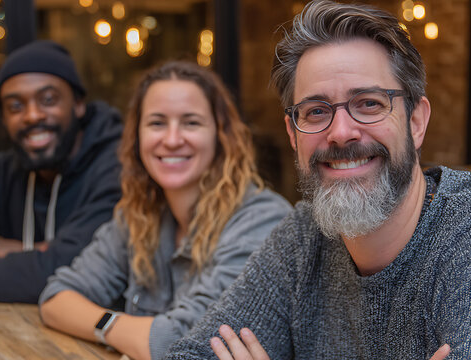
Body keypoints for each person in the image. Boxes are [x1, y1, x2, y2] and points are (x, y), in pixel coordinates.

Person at [164, 1, 471, 359]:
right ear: (293, 134)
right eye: (316, 111)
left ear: (416, 121)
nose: (341, 132)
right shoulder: (302, 240)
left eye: (369, 104)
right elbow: (191, 353)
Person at [38, 61, 291, 360]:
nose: (172, 140)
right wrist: (116, 328)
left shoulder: (261, 221)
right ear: (137, 137)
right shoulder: (140, 216)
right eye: (157, 123)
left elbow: (182, 342)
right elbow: (56, 298)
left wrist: (106, 327)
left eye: (191, 122)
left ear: (221, 136)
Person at [0, 40, 122, 303]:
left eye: (48, 100)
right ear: (4, 119)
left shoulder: (117, 167)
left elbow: (67, 269)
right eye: (15, 106)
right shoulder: (7, 168)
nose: (31, 116)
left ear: (78, 104)